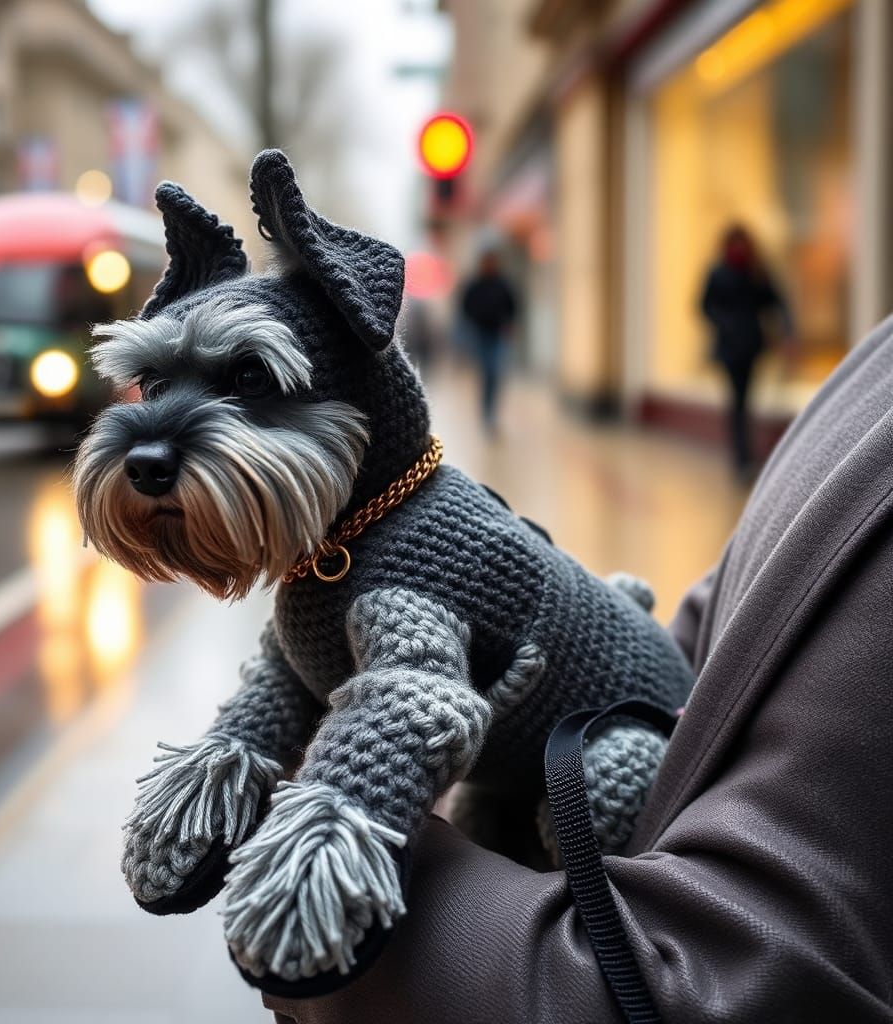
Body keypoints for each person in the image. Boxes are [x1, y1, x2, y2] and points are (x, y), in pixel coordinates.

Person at [266, 313, 893, 1021]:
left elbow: (751, 980)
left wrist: (328, 887)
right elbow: (730, 624)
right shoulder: (872, 357)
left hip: (603, 845)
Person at [700, 225, 793, 478]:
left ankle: (745, 456)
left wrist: (787, 332)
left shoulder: (756, 272)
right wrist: (726, 322)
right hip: (730, 350)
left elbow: (777, 301)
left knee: (744, 401)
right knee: (738, 402)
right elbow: (704, 306)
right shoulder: (718, 273)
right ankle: (741, 458)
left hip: (751, 347)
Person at [459, 249, 518, 433]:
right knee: (487, 372)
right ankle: (486, 413)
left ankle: (491, 412)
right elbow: (465, 305)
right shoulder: (475, 285)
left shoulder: (502, 284)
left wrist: (510, 323)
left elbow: (513, 305)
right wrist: (471, 323)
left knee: (495, 372)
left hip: (497, 334)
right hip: (480, 334)